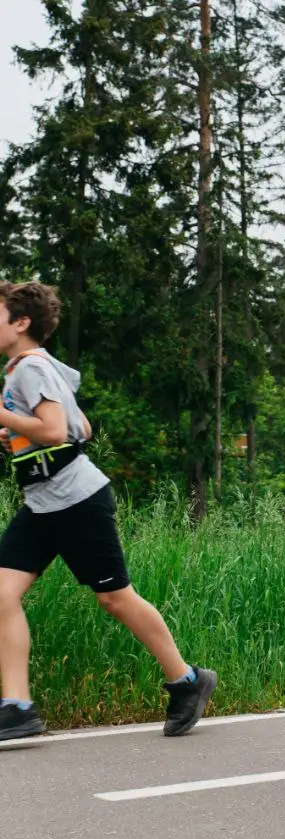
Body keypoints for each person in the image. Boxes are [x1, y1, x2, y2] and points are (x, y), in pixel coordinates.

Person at [0, 281, 217, 742]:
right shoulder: (29, 367)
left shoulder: (29, 369)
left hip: (76, 500)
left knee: (115, 598)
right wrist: (19, 434)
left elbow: (57, 430)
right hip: (43, 503)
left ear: (20, 323)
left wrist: (10, 420)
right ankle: (16, 707)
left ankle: (188, 681)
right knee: (0, 595)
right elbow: (81, 426)